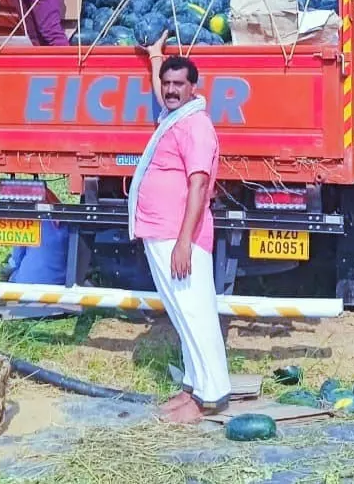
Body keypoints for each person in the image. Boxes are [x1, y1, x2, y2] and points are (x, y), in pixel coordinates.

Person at [127, 32, 231, 424]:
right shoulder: (176, 115)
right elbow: (161, 94)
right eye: (166, 84)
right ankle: (194, 386)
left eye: (177, 85)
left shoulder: (197, 127)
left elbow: (199, 184)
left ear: (193, 88)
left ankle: (212, 395)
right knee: (181, 313)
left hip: (179, 236)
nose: (169, 91)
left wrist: (184, 242)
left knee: (196, 312)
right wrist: (156, 59)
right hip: (162, 232)